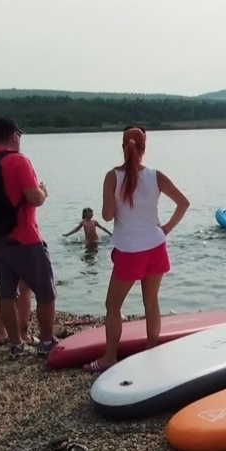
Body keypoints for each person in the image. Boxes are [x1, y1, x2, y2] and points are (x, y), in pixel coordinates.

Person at [89, 126, 190, 374]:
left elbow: (107, 214)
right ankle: (151, 350)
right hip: (156, 246)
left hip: (129, 250)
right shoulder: (156, 175)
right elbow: (183, 203)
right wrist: (165, 229)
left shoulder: (113, 176)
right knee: (151, 302)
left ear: (123, 146)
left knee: (113, 306)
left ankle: (110, 357)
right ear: (145, 148)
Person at [0, 117, 59, 358]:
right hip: (25, 237)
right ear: (13, 136)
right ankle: (46, 342)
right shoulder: (18, 161)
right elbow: (34, 198)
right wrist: (43, 191)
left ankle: (16, 344)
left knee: (6, 293)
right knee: (46, 291)